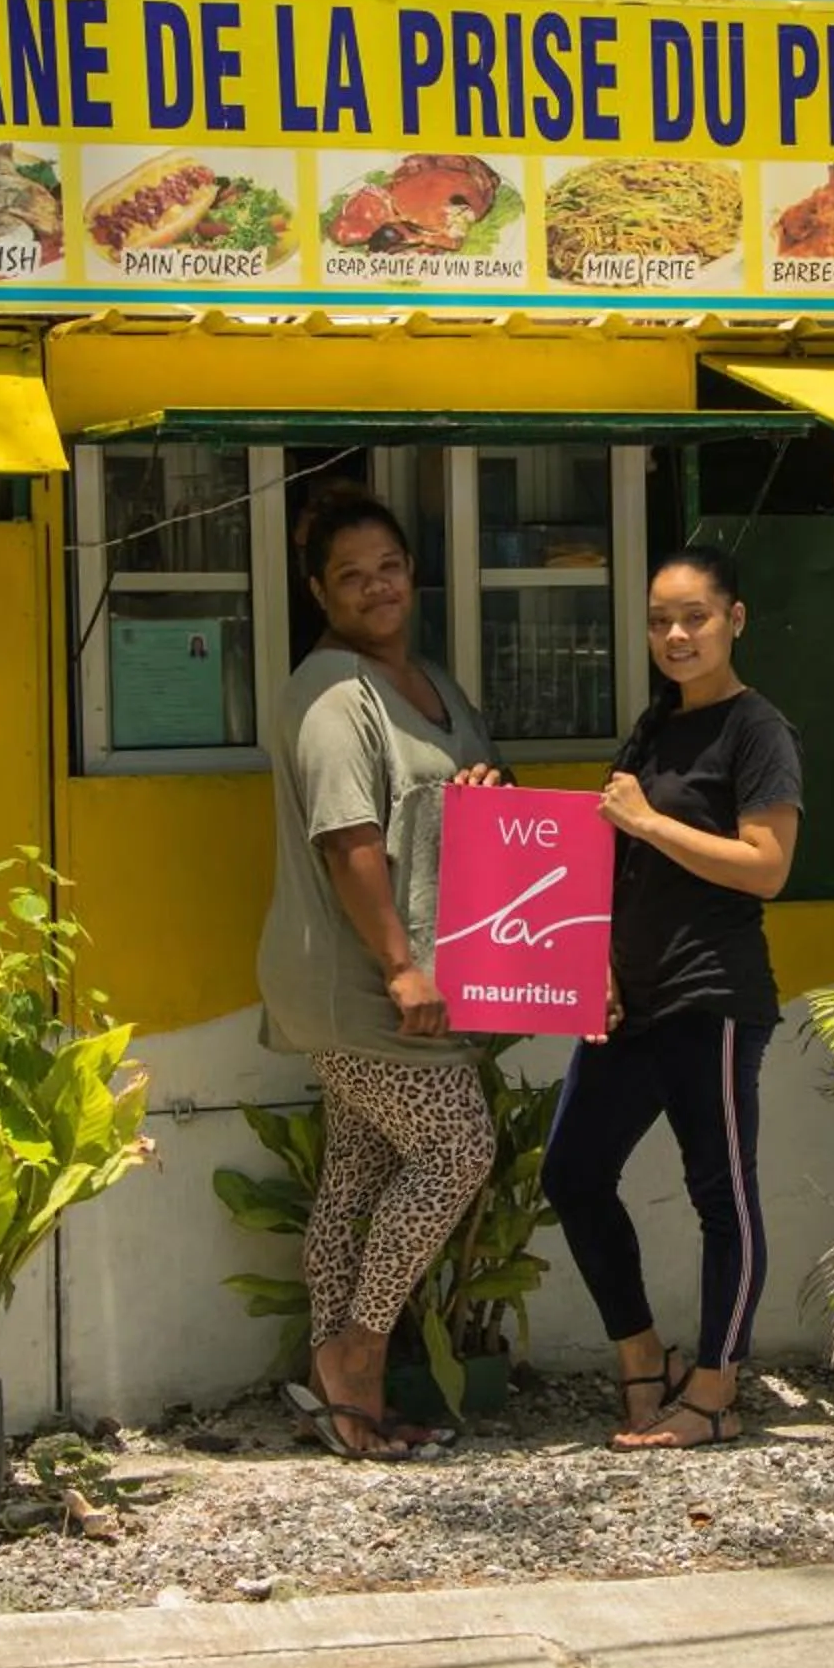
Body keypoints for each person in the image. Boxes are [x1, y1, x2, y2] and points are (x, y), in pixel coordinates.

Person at [255, 491, 504, 1459]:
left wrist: (486, 790)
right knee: (455, 1148)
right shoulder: (330, 690)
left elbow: (468, 798)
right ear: (320, 590)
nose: (376, 586)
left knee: (359, 1170)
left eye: (389, 565)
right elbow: (349, 839)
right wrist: (403, 968)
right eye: (352, 574)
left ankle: (335, 1385)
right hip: (356, 979)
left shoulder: (428, 678)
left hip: (403, 974)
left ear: (413, 569)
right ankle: (357, 1353)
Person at [541, 545, 802, 1451]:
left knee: (719, 1194)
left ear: (735, 619)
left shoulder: (757, 729)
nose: (676, 635)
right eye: (659, 621)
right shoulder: (654, 729)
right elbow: (618, 864)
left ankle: (716, 1392)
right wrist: (597, 968)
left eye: (693, 616)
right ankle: (643, 1356)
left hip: (714, 998)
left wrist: (650, 819)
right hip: (631, 1003)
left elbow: (767, 868)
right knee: (571, 1174)